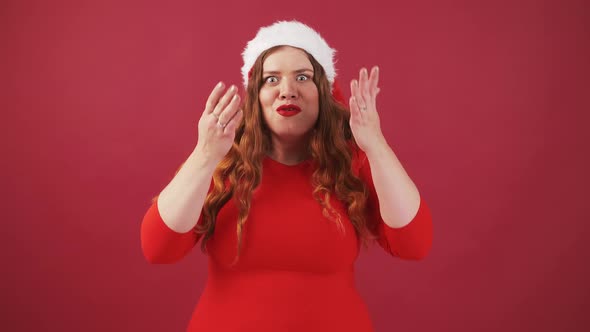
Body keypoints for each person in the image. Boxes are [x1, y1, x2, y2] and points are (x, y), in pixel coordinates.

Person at [141, 20, 433, 332]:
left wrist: (376, 145)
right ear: (256, 96)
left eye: (303, 77)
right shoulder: (221, 163)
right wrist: (205, 153)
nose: (287, 91)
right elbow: (158, 248)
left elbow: (414, 244)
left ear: (323, 91)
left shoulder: (353, 164)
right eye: (271, 79)